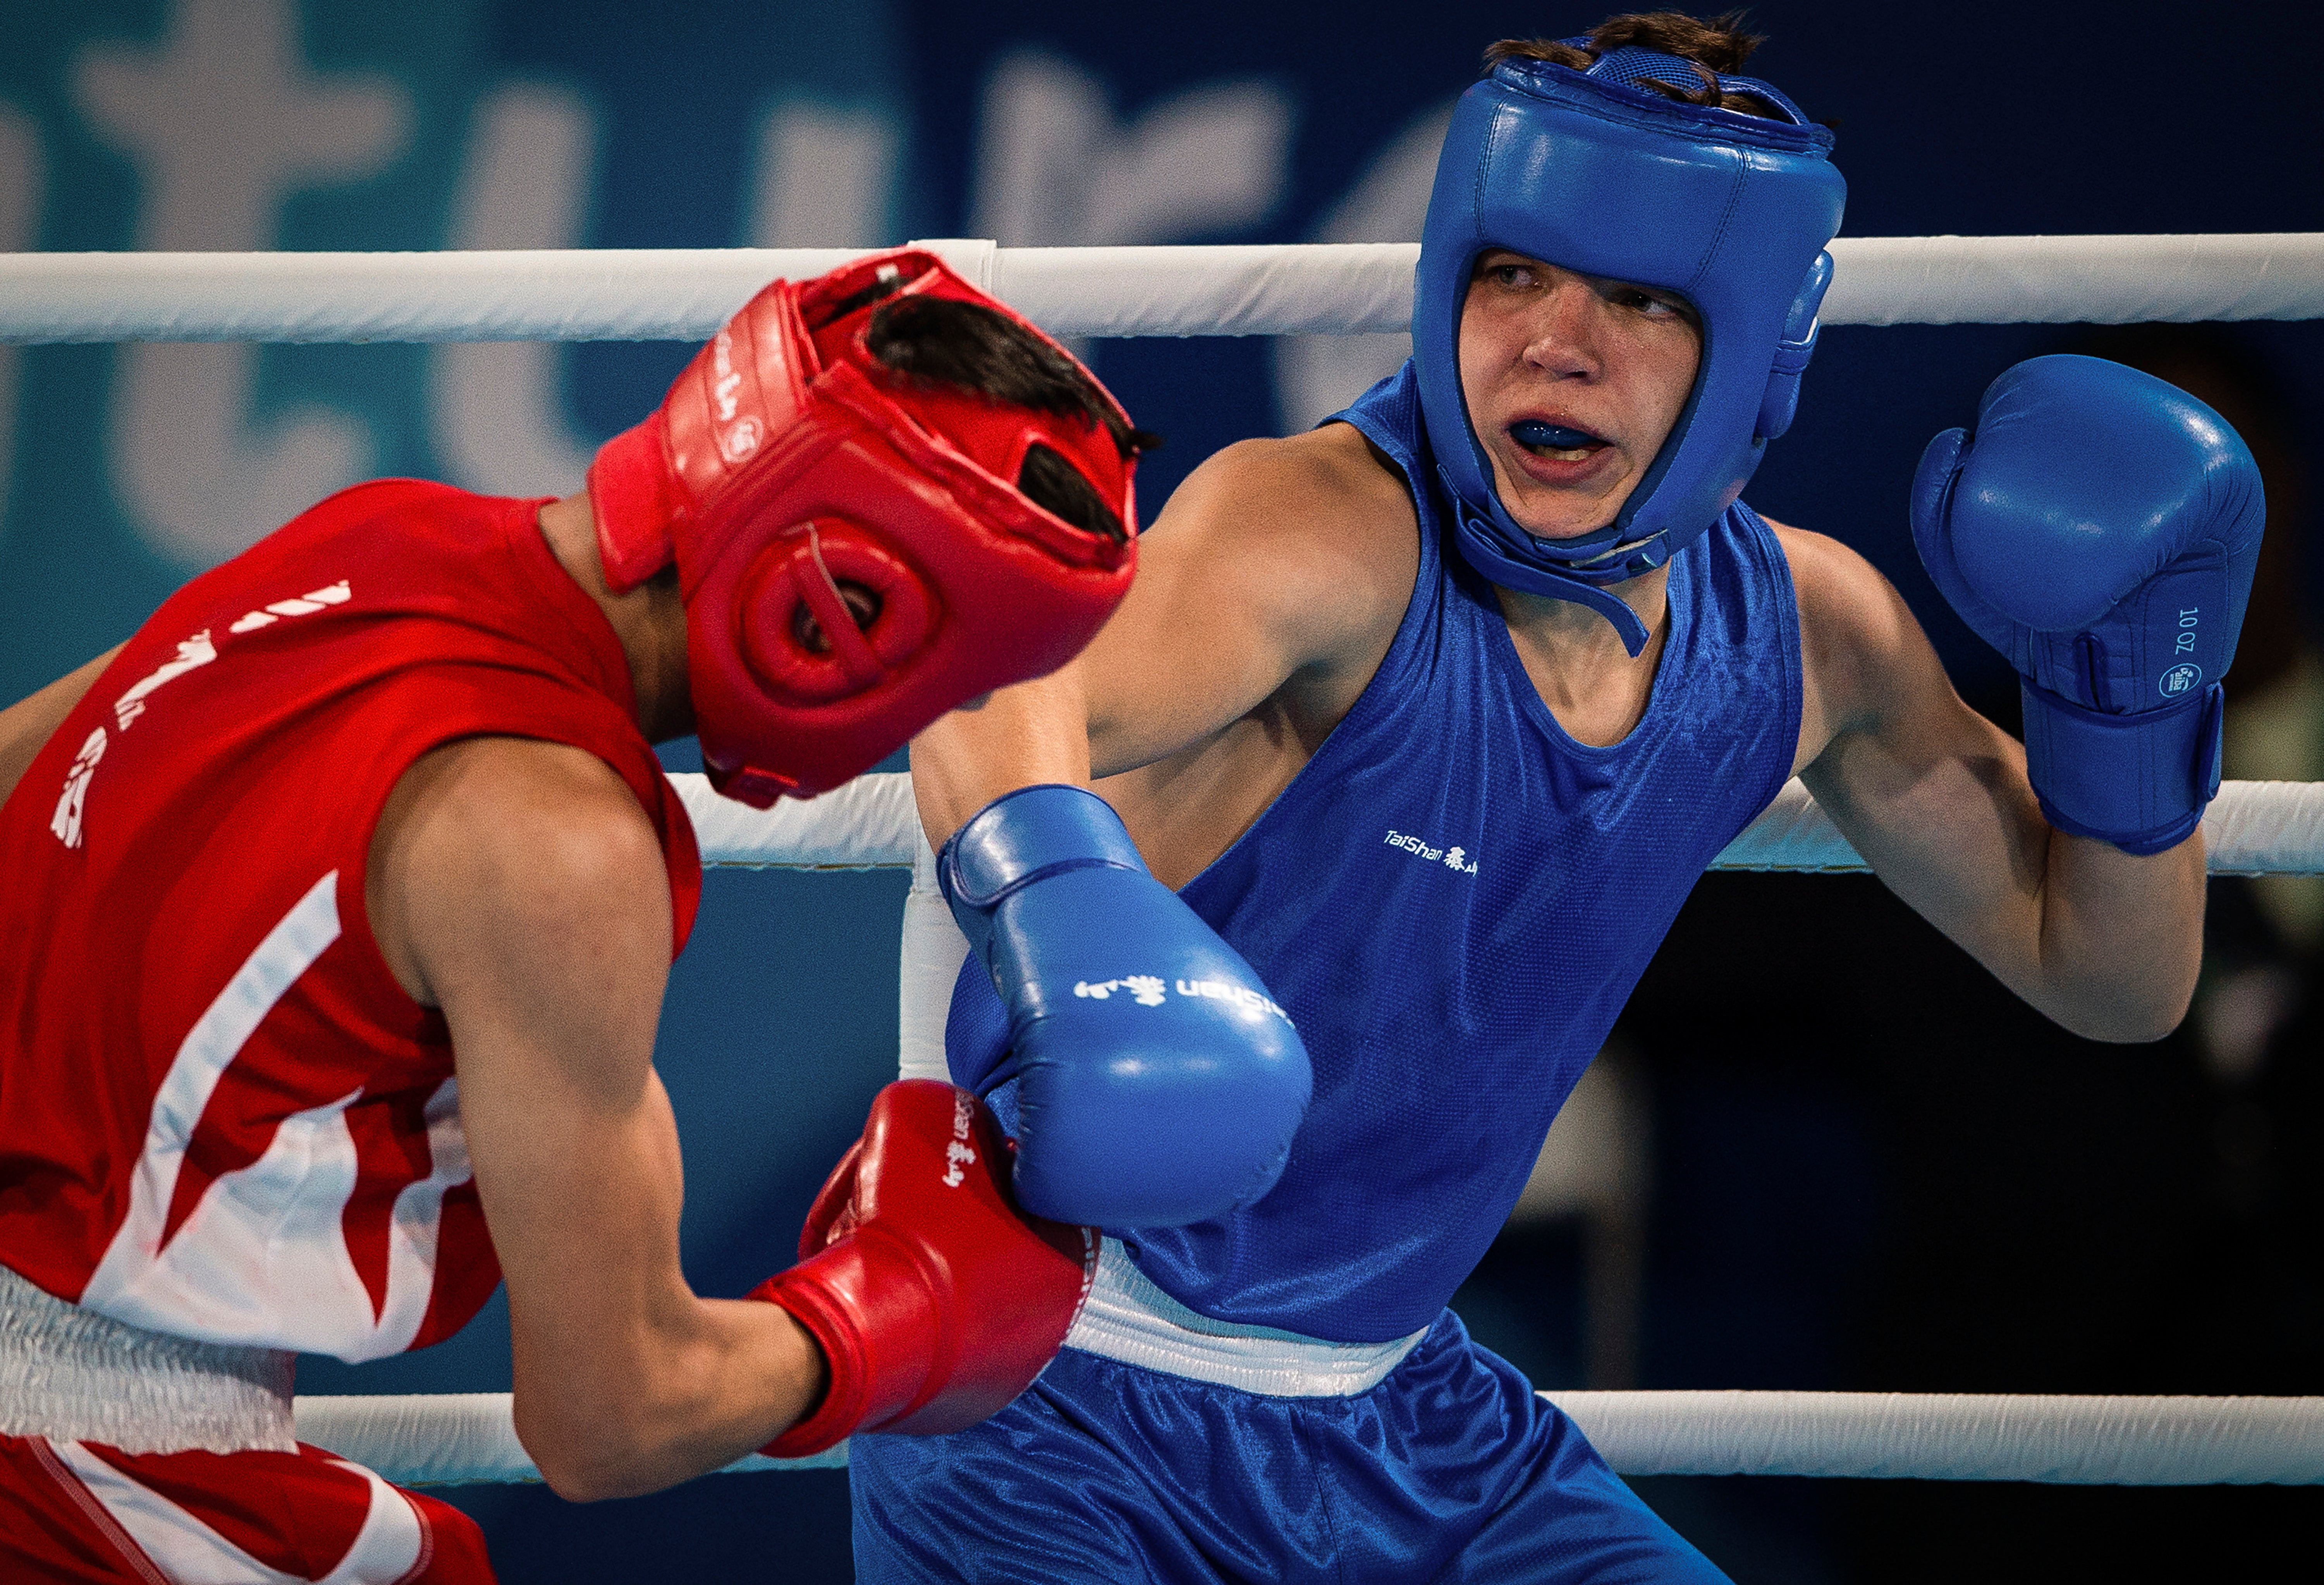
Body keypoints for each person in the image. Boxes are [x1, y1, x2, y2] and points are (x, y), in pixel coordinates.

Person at [858, 13, 2267, 1583]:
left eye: (1644, 300)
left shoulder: (1805, 641)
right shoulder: (1323, 532)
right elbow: (993, 689)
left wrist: (2128, 715)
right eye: (1512, 273)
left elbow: (2119, 980)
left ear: (1756, 351)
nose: (1553, 341)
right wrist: (1075, 920)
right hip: (1051, 1387)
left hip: (1407, 1416)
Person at [0, 248, 1151, 1582]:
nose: (917, 736)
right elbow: (613, 1415)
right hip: (82, 1462)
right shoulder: (556, 841)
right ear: (829, 616)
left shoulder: (383, 531)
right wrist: (897, 1309)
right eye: (946, 687)